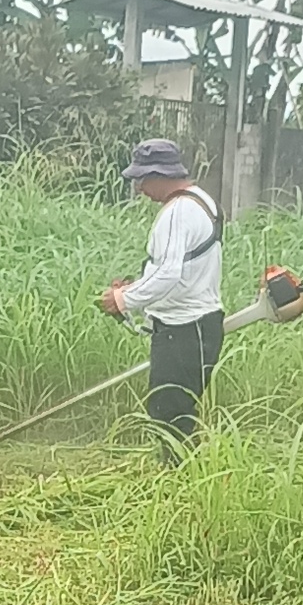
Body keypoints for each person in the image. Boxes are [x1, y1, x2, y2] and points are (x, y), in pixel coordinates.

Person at [101, 139, 224, 442]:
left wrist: (123, 299)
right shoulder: (201, 200)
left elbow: (169, 274)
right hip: (198, 325)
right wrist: (135, 286)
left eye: (143, 179)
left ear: (160, 174)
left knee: (169, 417)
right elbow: (180, 270)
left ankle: (178, 472)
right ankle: (183, 470)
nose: (140, 188)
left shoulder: (178, 212)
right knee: (176, 413)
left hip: (183, 329)